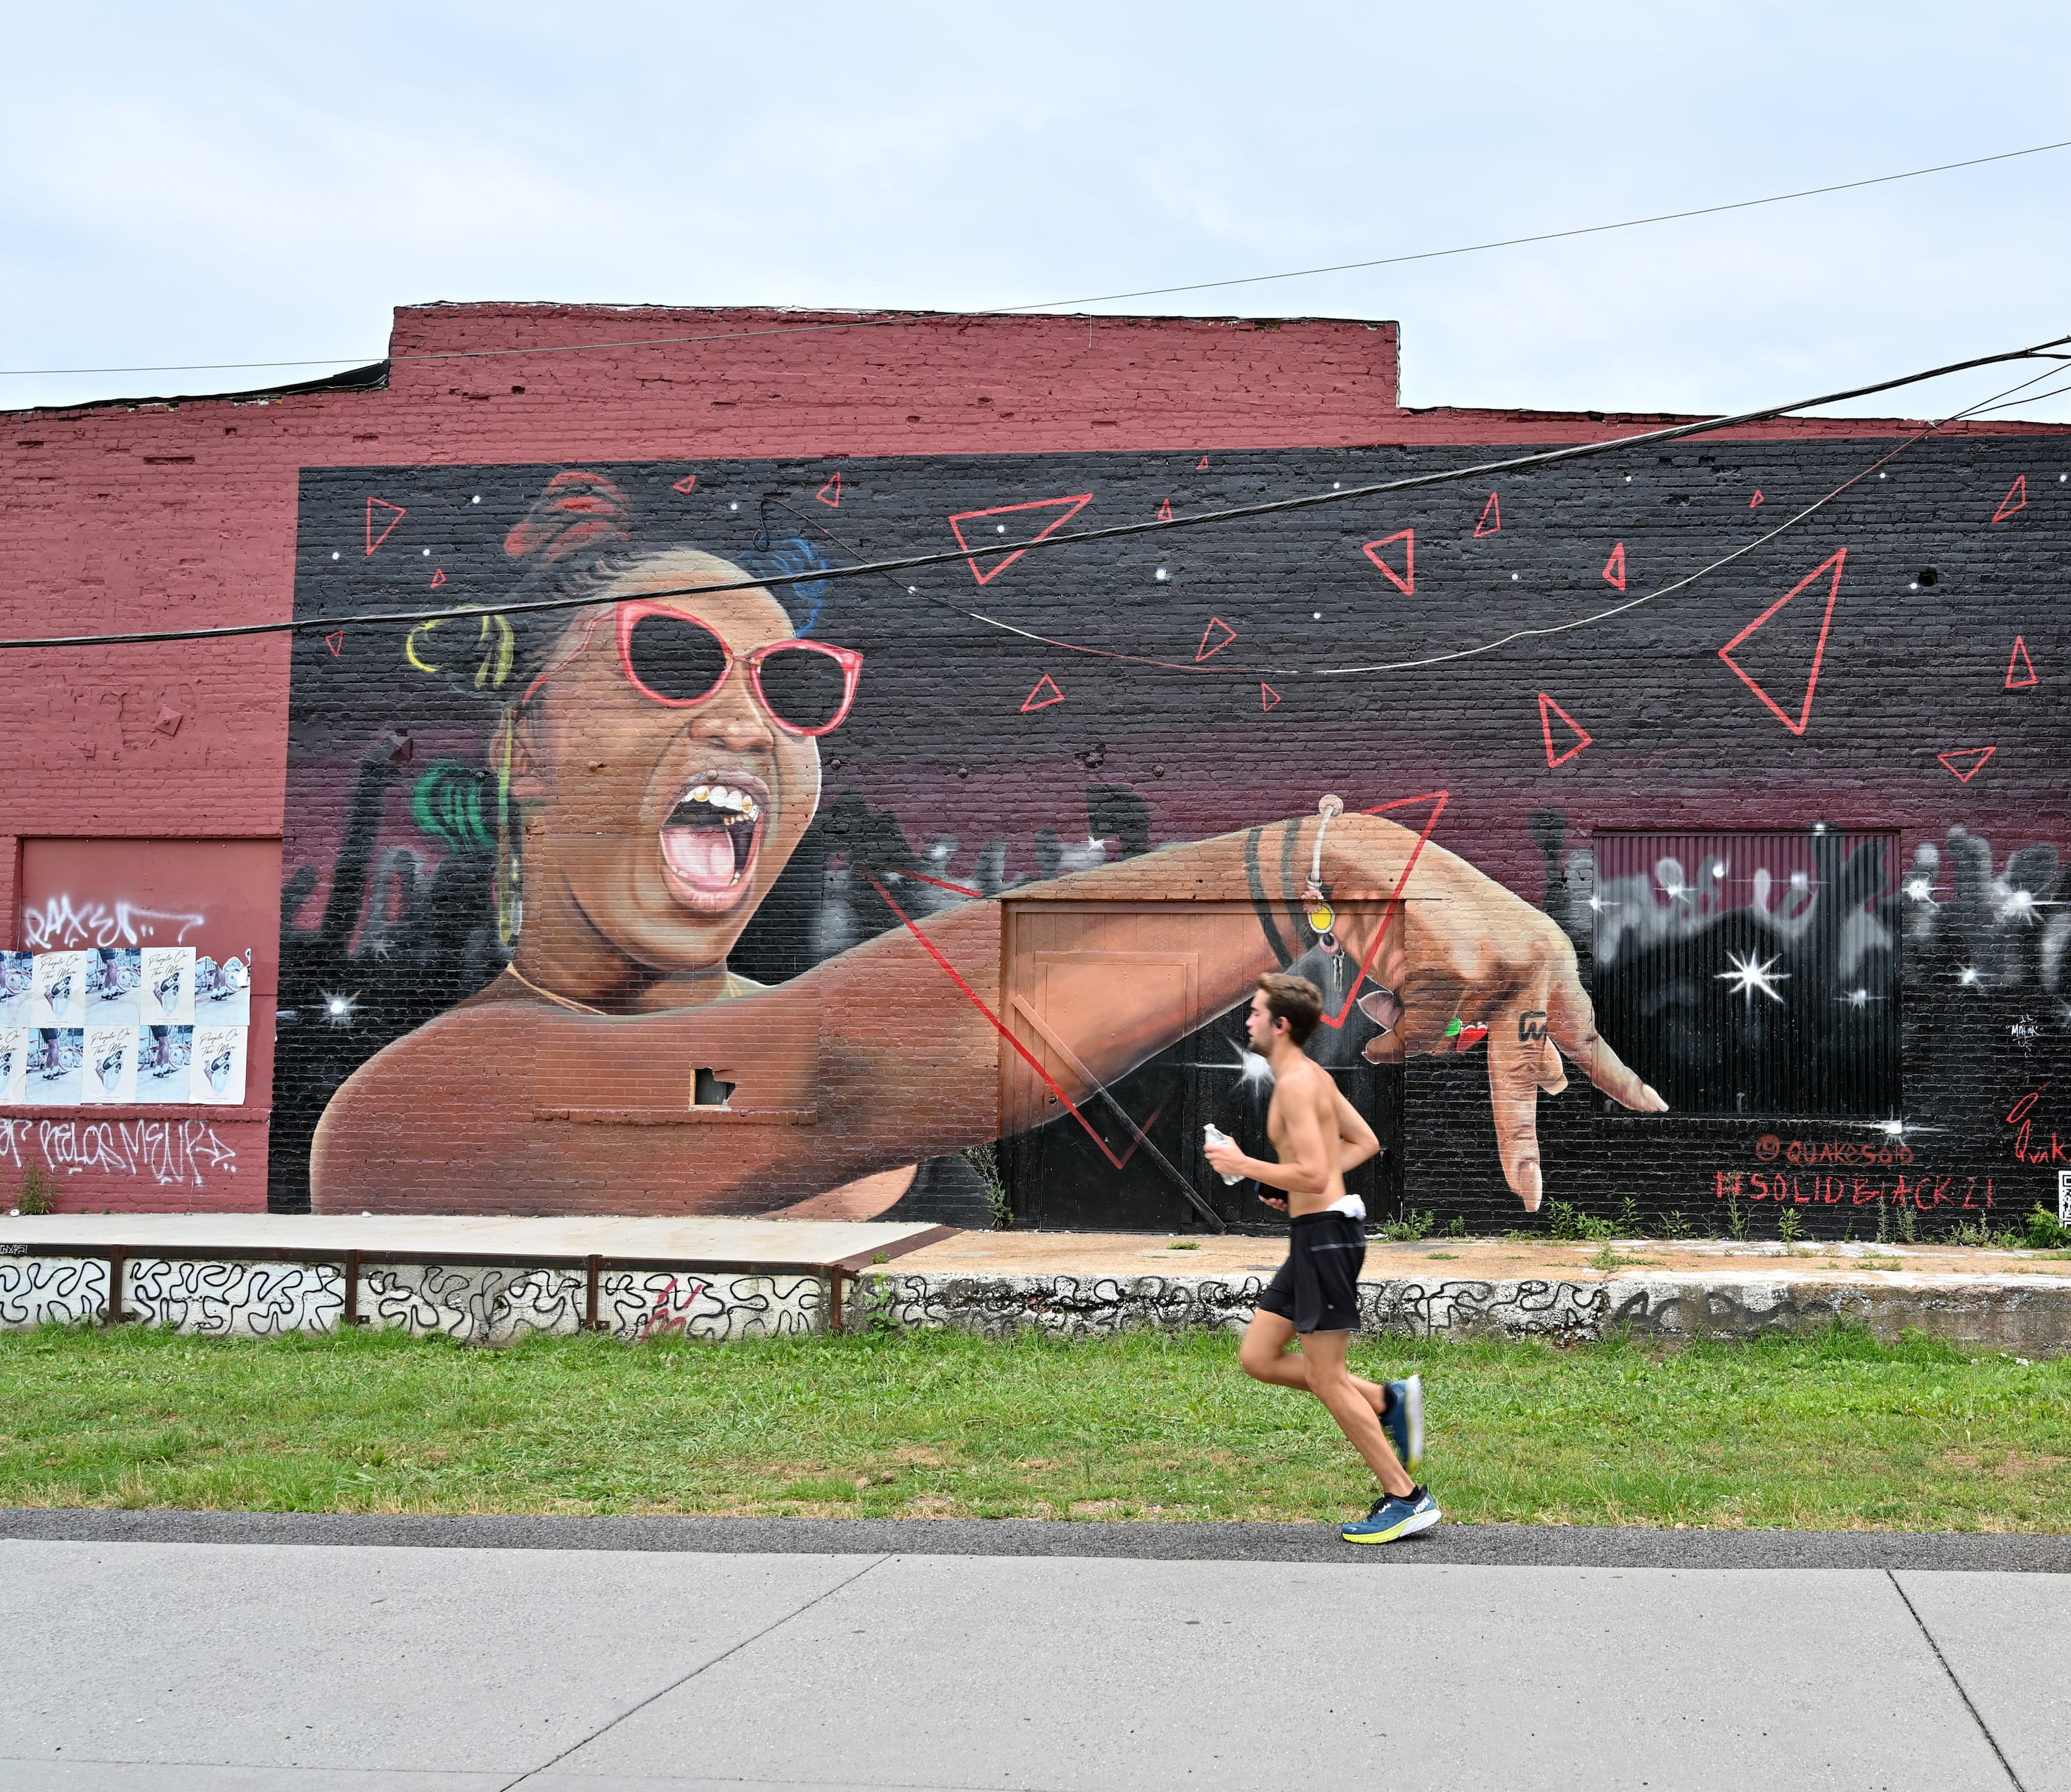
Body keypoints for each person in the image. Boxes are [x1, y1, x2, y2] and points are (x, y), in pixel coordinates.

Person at [312, 471, 1665, 1214]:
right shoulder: (413, 1109)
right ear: (531, 744)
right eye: (670, 661)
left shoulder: (805, 1009)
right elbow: (831, 1074)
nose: (746, 721)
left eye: (790, 691)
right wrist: (1309, 865)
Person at [1207, 973, 1436, 1545]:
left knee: (1325, 1376)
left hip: (1327, 1240)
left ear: (1282, 1025)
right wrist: (1296, 1189)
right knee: (1259, 1356)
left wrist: (1245, 1163)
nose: (1248, 1021)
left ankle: (1407, 1498)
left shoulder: (1296, 1086)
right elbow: (1362, 1144)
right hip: (1315, 1233)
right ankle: (1388, 1399)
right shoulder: (1311, 1077)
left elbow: (1313, 1169)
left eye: (1257, 1013)